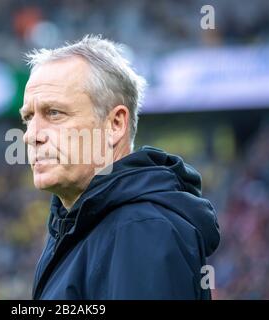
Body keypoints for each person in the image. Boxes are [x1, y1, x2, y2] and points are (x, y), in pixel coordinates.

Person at [20, 35, 220, 299]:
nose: (30, 135)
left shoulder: (140, 229)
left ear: (115, 124)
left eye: (54, 113)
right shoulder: (74, 225)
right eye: (28, 118)